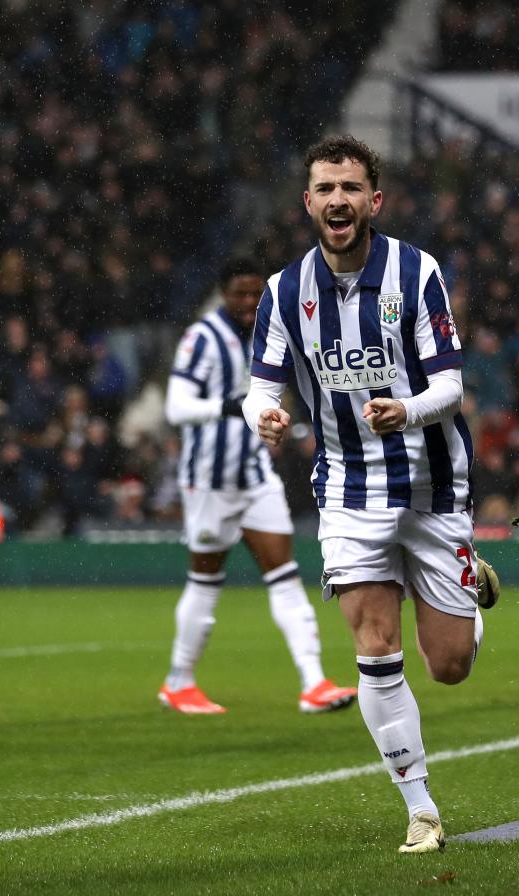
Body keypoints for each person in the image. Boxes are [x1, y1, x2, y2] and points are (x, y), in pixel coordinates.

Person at [242, 136, 499, 854]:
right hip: (349, 492)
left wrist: (405, 410)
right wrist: (263, 416)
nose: (338, 201)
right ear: (308, 203)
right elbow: (261, 388)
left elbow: (450, 384)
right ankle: (420, 809)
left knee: (447, 666)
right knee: (374, 646)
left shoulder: (416, 275)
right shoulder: (284, 292)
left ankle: (464, 600)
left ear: (373, 201)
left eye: (351, 188)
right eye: (325, 188)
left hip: (431, 486)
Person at [159, 257, 356, 715]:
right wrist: (232, 408)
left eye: (255, 294)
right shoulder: (202, 338)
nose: (249, 303)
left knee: (285, 575)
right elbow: (176, 406)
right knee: (205, 580)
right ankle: (178, 681)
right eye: (240, 294)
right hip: (210, 480)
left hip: (254, 475)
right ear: (224, 294)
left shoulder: (269, 330)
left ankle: (314, 683)